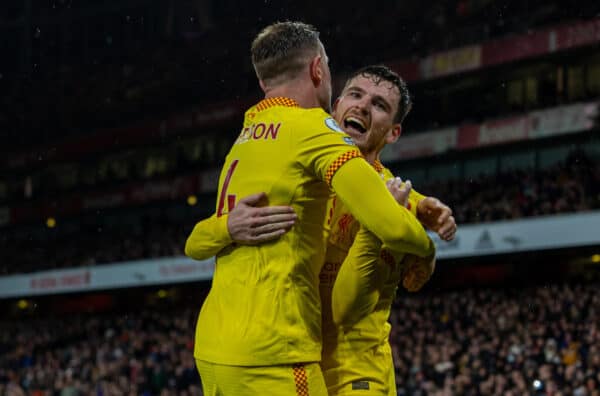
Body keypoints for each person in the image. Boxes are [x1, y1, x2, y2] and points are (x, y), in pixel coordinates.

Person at [184, 22, 436, 396]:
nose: (361, 106)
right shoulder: (314, 132)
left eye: (379, 104)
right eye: (351, 90)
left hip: (218, 352)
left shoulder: (247, 138)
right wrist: (426, 247)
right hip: (276, 354)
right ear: (319, 71)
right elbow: (393, 226)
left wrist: (227, 229)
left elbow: (193, 244)